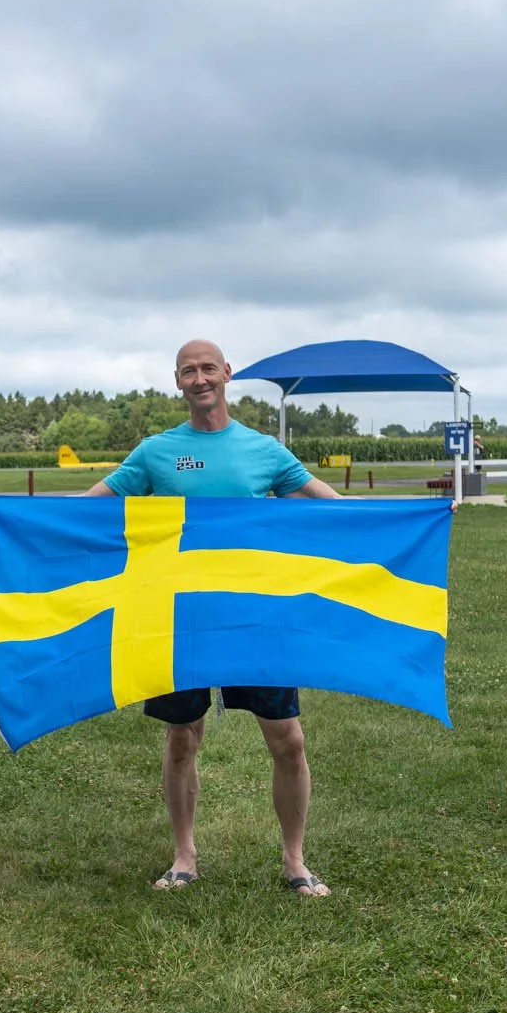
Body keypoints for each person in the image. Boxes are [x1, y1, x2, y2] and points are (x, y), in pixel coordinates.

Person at [91, 339, 342, 896]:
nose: (200, 378)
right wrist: (0, 509)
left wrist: (408, 516)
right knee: (183, 738)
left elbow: (330, 504)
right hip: (181, 618)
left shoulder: (263, 450)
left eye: (208, 368)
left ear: (227, 374)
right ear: (177, 382)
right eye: (189, 371)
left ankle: (295, 861)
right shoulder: (157, 453)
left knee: (289, 741)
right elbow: (89, 505)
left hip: (256, 614)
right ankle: (184, 857)